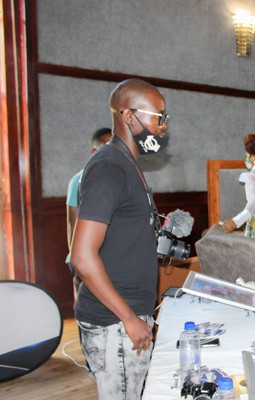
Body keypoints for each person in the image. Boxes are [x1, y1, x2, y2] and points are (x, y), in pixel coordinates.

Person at [71, 78, 170, 400]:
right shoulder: (109, 166)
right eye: (157, 116)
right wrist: (128, 318)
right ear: (129, 116)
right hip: (115, 321)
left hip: (128, 313)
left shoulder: (128, 165)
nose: (162, 127)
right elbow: (82, 256)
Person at [66, 127, 112, 291]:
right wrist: (76, 262)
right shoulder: (79, 180)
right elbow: (73, 224)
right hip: (84, 258)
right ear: (94, 151)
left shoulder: (116, 177)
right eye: (104, 145)